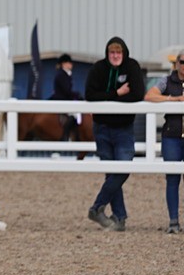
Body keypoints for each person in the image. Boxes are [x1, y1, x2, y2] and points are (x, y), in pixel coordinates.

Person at [84, 36, 145, 231]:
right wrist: (117, 93)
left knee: (122, 169)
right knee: (111, 173)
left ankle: (97, 207)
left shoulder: (132, 67)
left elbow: (137, 94)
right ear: (107, 53)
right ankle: (119, 218)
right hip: (102, 128)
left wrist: (106, 99)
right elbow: (90, 95)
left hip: (123, 129)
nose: (115, 55)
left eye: (118, 52)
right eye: (112, 52)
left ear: (124, 53)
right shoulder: (98, 68)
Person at [146, 50, 184, 234]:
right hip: (172, 136)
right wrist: (174, 99)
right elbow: (149, 96)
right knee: (172, 179)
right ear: (176, 63)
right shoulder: (166, 81)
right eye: (182, 62)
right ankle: (173, 221)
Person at [50, 53, 82, 140]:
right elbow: (66, 91)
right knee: (75, 115)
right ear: (64, 64)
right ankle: (65, 135)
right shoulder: (61, 75)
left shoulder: (66, 74)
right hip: (61, 99)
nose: (71, 64)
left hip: (64, 98)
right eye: (69, 63)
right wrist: (78, 95)